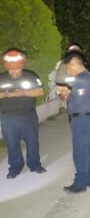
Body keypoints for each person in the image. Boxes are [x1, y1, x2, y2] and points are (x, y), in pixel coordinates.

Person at [0, 49, 46, 179]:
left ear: (22, 65)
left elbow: (40, 91)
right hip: (7, 117)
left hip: (28, 115)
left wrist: (23, 93)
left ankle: (35, 165)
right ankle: (15, 168)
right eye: (11, 69)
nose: (14, 71)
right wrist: (3, 94)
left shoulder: (30, 76)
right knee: (11, 143)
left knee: (32, 142)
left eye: (16, 68)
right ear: (6, 66)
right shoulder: (1, 78)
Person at [62, 52, 90, 193]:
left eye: (69, 68)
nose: (68, 71)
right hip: (86, 117)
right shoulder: (87, 76)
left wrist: (66, 95)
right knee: (87, 149)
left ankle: (80, 183)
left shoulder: (82, 79)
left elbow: (78, 100)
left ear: (76, 64)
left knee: (80, 152)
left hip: (81, 119)